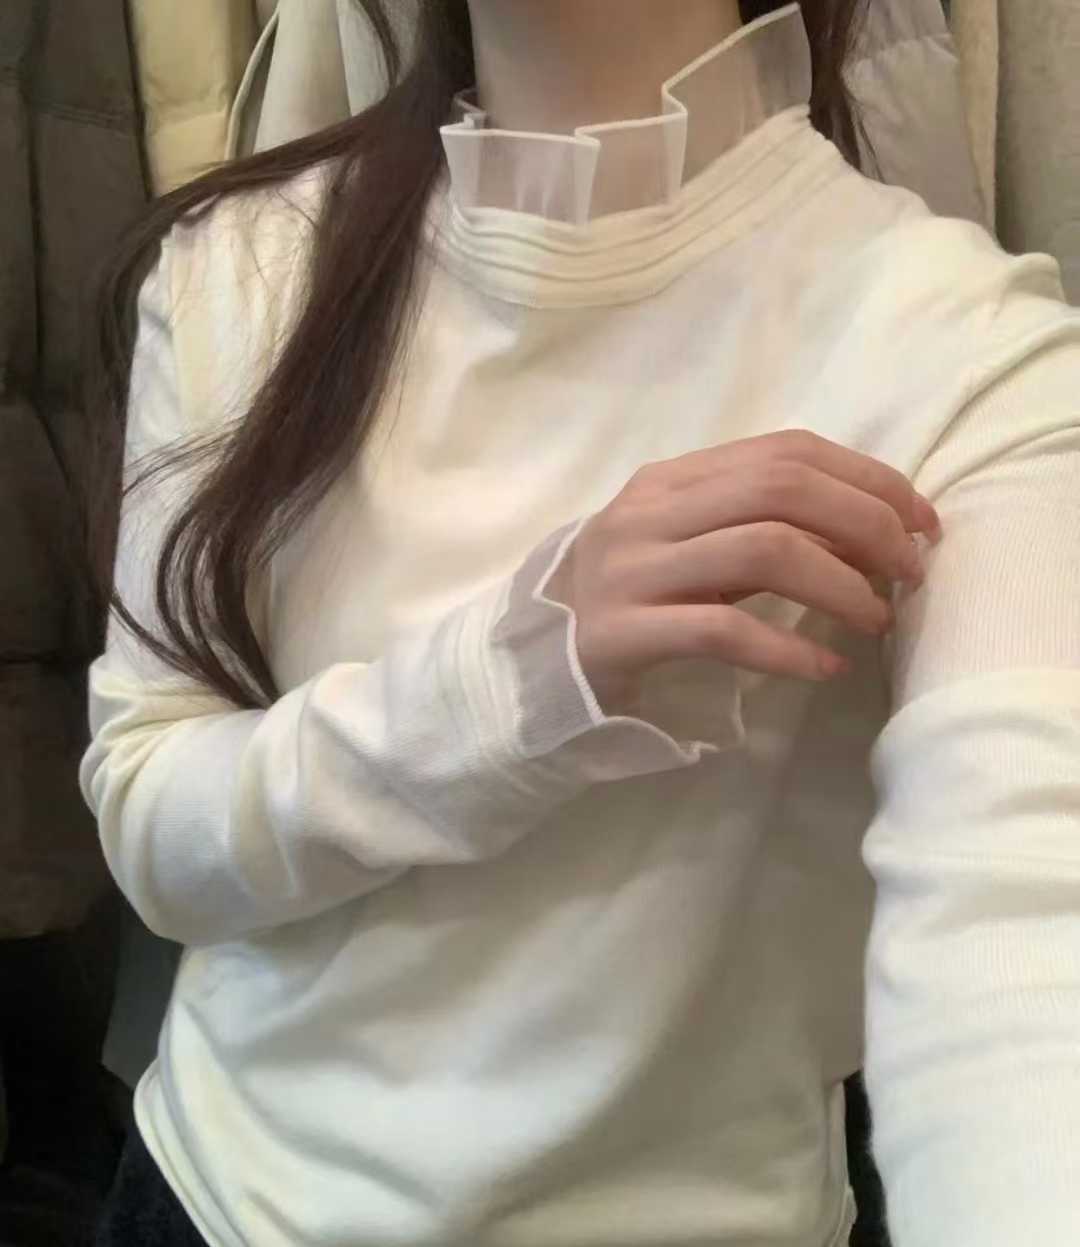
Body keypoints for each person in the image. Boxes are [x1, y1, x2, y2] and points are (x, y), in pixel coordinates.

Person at [84, 2, 1080, 1245]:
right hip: (213, 1199)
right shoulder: (232, 264)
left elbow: (1026, 951)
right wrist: (513, 682)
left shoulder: (975, 362)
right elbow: (152, 824)